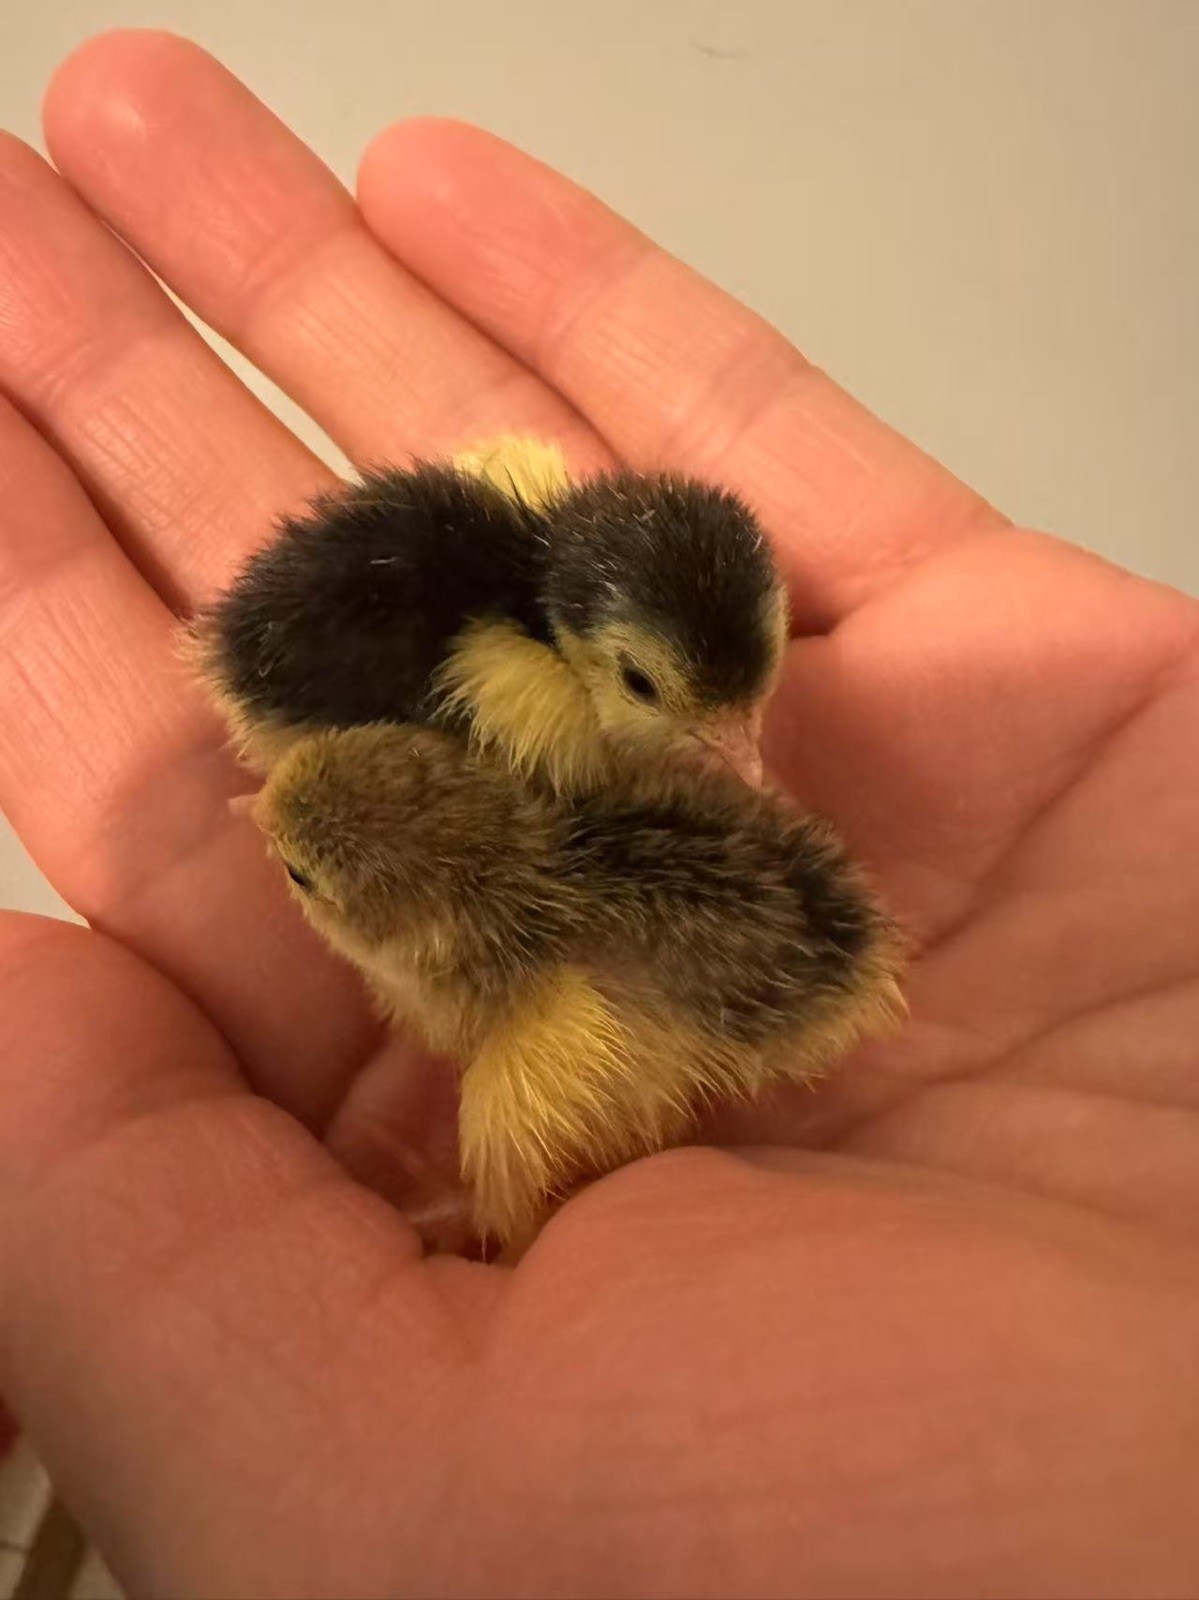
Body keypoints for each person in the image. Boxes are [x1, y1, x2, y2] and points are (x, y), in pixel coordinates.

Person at [0, 29, 1196, 1600]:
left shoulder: (535, 867)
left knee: (531, 1071)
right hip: (411, 725)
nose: (734, 754)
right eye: (668, 702)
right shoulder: (519, 707)